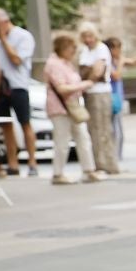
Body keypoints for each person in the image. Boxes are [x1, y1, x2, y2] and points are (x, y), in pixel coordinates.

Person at [41, 32, 104, 184]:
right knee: (62, 141)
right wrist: (84, 84)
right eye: (71, 48)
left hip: (73, 105)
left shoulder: (67, 63)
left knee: (83, 137)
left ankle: (88, 170)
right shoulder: (54, 64)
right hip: (60, 107)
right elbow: (62, 88)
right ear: (63, 48)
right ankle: (58, 173)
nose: (74, 51)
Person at [0, 8, 37, 176]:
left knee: (25, 123)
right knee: (6, 125)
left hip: (18, 85)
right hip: (1, 87)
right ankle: (12, 162)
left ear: (5, 21)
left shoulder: (23, 36)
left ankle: (32, 161)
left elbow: (16, 60)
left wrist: (3, 39)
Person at [75, 25, 120, 175]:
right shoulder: (85, 51)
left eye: (90, 36)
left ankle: (108, 163)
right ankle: (98, 162)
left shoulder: (101, 49)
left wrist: (87, 80)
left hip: (99, 92)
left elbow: (98, 70)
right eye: (85, 36)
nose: (88, 39)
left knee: (103, 129)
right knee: (93, 129)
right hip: (89, 92)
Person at [104, 36, 128, 158]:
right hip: (111, 99)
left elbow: (133, 62)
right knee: (114, 129)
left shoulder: (115, 61)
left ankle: (118, 154)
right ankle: (114, 155)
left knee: (119, 129)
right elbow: (116, 76)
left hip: (118, 98)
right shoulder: (107, 62)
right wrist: (121, 63)